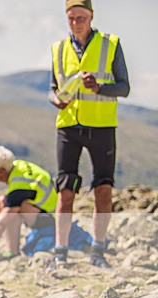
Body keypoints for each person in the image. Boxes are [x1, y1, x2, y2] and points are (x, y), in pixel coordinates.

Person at [48, 0, 130, 271]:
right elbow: (52, 87)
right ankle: (60, 254)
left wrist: (99, 88)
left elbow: (124, 87)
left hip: (102, 126)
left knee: (103, 190)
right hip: (68, 126)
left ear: (91, 16)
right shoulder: (58, 49)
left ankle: (98, 252)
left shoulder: (111, 44)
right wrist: (55, 99)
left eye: (81, 17)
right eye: (71, 18)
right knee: (65, 191)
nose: (76, 23)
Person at [0, 145, 57, 263]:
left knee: (8, 208)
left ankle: (12, 251)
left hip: (50, 219)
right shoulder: (17, 166)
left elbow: (1, 222)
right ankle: (11, 250)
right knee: (4, 201)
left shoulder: (19, 185)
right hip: (46, 212)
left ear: (1, 171)